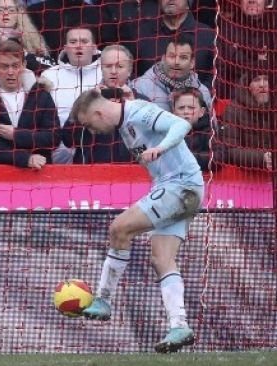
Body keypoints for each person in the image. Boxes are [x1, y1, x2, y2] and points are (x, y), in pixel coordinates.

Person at [71, 88, 204, 353]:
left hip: (180, 185)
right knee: (161, 259)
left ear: (98, 113)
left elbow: (181, 123)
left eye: (90, 125)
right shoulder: (124, 124)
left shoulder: (139, 112)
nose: (93, 131)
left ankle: (103, 300)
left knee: (119, 229)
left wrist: (161, 148)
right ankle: (179, 325)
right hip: (182, 187)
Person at [0, 39, 63, 169]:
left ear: (24, 65)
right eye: (5, 66)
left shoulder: (41, 95)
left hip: (38, 175)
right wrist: (23, 159)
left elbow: (54, 138)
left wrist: (17, 135)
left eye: (15, 66)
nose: (10, 72)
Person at [64, 44, 140, 164]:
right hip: (91, 175)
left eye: (120, 66)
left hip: (131, 175)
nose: (113, 71)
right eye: (108, 66)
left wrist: (132, 108)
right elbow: (68, 140)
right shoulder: (87, 99)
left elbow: (152, 144)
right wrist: (90, 108)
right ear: (101, 69)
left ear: (130, 71)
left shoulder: (141, 100)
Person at [40, 25, 100, 163]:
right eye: (73, 42)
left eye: (84, 42)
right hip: (58, 154)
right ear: (65, 48)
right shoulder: (49, 75)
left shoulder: (106, 73)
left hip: (96, 152)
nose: (78, 46)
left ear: (94, 47)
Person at [0, 0, 54, 74]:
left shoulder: (31, 39)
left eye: (11, 10)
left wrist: (25, 54)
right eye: (0, 10)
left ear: (18, 14)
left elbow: (50, 67)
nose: (6, 13)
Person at [133, 36, 212, 112]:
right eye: (172, 56)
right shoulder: (139, 86)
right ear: (163, 59)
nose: (176, 62)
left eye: (183, 57)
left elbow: (211, 125)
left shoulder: (203, 92)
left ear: (192, 63)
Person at [219, 72, 273, 170]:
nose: (262, 85)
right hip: (245, 176)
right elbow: (229, 150)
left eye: (266, 79)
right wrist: (262, 158)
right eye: (256, 80)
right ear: (248, 86)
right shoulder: (233, 109)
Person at [170, 87, 218, 172]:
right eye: (181, 108)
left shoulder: (208, 131)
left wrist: (183, 159)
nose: (186, 111)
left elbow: (218, 158)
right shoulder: (165, 131)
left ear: (201, 112)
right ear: (174, 112)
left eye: (191, 108)